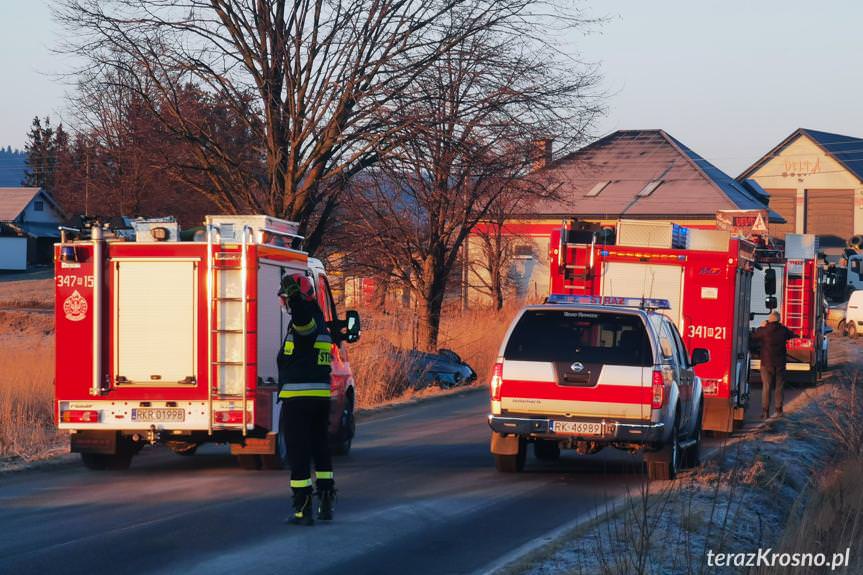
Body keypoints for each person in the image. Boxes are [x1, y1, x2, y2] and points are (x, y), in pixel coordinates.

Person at [277, 273, 335, 525]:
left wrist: (295, 298)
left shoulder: (307, 316)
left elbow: (303, 324)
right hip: (319, 398)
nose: (283, 303)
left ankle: (303, 509)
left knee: (298, 453)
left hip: (299, 400)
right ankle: (325, 501)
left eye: (285, 298)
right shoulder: (321, 319)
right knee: (320, 450)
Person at [750, 310, 796, 419]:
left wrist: (761, 326)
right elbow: (792, 335)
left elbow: (753, 336)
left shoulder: (764, 330)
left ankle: (765, 412)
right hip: (780, 363)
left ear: (769, 320)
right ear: (779, 320)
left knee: (766, 387)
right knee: (779, 386)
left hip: (766, 363)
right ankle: (779, 410)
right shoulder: (783, 330)